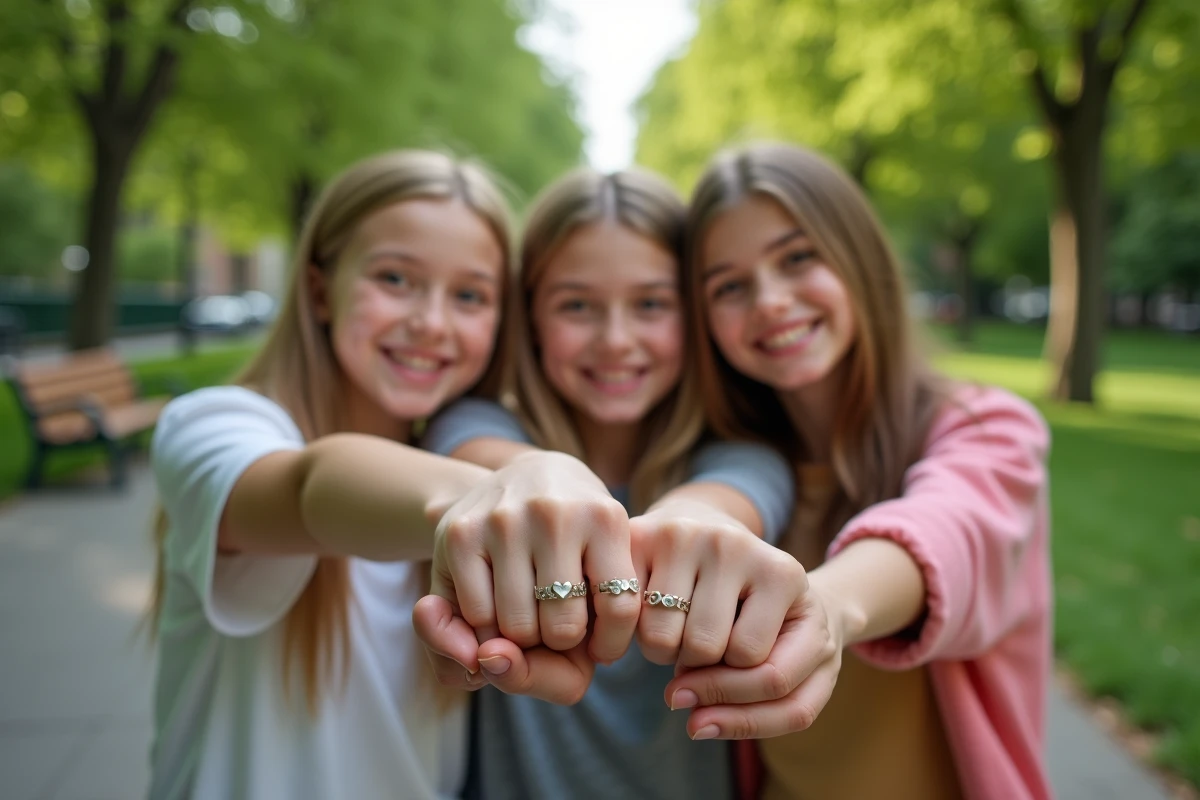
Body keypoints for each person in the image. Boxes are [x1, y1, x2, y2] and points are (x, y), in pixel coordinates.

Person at [662, 142, 1053, 800]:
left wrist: (833, 607)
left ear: (857, 257)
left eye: (797, 259)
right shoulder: (745, 470)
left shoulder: (987, 428)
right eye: (730, 286)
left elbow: (951, 528)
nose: (770, 300)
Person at [145, 149, 531, 800]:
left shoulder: (472, 448)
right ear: (322, 292)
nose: (431, 322)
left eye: (469, 295)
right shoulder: (215, 427)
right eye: (396, 279)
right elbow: (310, 489)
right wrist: (519, 494)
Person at [412, 167, 807, 800]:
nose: (616, 340)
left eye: (650, 304)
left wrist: (698, 523)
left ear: (694, 318)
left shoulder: (743, 457)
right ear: (532, 317)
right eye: (577, 305)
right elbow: (478, 456)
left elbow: (726, 502)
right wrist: (541, 471)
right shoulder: (473, 425)